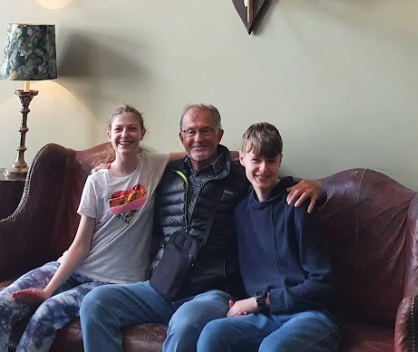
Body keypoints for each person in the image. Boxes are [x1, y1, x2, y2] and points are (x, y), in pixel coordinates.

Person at [80, 104, 322, 352]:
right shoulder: (165, 174)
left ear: (219, 135)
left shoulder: (240, 175)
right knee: (95, 303)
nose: (198, 138)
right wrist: (107, 168)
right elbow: (130, 170)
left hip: (210, 292)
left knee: (185, 324)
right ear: (181, 137)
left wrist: (315, 187)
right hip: (160, 287)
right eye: (190, 132)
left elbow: (270, 182)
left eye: (205, 131)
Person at [0, 105, 169, 352]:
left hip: (113, 282)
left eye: (132, 129)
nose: (125, 135)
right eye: (118, 129)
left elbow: (194, 153)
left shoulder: (152, 165)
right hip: (73, 266)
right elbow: (80, 245)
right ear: (109, 134)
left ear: (142, 133)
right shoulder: (97, 180)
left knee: (47, 314)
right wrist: (50, 288)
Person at [196, 122, 339, 352]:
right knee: (212, 334)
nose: (263, 168)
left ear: (280, 160)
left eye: (271, 161)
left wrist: (257, 302)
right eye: (256, 160)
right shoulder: (240, 211)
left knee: (272, 349)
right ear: (242, 159)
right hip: (265, 318)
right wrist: (238, 303)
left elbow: (323, 284)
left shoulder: (299, 204)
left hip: (309, 316)